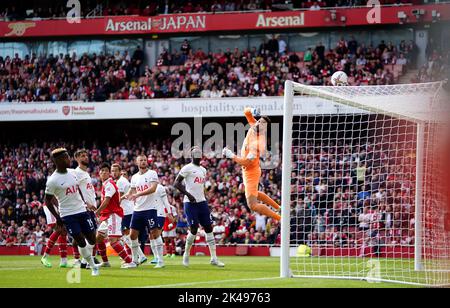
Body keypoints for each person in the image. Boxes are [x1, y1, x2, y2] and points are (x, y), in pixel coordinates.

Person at [44, 148, 100, 276]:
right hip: (68, 215)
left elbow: (78, 189)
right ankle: (92, 266)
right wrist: (57, 217)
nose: (69, 159)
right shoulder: (53, 180)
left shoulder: (72, 172)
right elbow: (47, 201)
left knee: (92, 239)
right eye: (66, 157)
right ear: (58, 161)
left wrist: (84, 202)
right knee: (80, 241)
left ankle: (84, 259)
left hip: (82, 210)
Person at [222, 108, 281, 221]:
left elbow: (246, 163)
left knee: (252, 205)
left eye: (262, 123)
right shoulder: (254, 125)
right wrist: (253, 110)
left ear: (265, 128)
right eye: (259, 120)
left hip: (251, 172)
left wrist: (231, 155)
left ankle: (279, 218)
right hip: (249, 169)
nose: (259, 123)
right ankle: (278, 208)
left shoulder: (259, 143)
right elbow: (246, 112)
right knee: (255, 194)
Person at [174, 146, 225, 268]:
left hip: (202, 202)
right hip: (190, 203)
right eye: (195, 152)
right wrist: (188, 195)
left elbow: (198, 186)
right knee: (194, 228)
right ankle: (186, 254)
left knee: (209, 227)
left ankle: (214, 258)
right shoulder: (187, 168)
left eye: (199, 152)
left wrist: (204, 196)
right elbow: (176, 183)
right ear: (191, 155)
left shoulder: (203, 170)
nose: (198, 154)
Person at [124, 154, 164, 268]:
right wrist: (124, 197)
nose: (143, 162)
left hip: (150, 209)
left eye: (145, 160)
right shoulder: (134, 177)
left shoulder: (152, 173)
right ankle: (135, 261)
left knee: (155, 234)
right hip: (137, 210)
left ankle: (160, 261)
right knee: (132, 236)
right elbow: (131, 190)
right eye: (141, 160)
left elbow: (153, 188)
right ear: (137, 162)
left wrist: (137, 194)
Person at [95, 163, 136, 268]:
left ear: (109, 173)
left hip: (113, 215)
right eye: (101, 171)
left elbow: (107, 201)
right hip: (108, 216)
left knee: (113, 241)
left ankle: (130, 262)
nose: (103, 172)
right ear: (99, 173)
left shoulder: (109, 184)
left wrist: (97, 211)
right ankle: (105, 262)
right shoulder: (105, 184)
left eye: (106, 171)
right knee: (99, 238)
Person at [40, 199, 71, 268]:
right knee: (58, 229)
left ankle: (64, 261)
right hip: (51, 205)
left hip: (58, 205)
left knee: (63, 231)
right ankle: (45, 257)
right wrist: (59, 208)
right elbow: (51, 195)